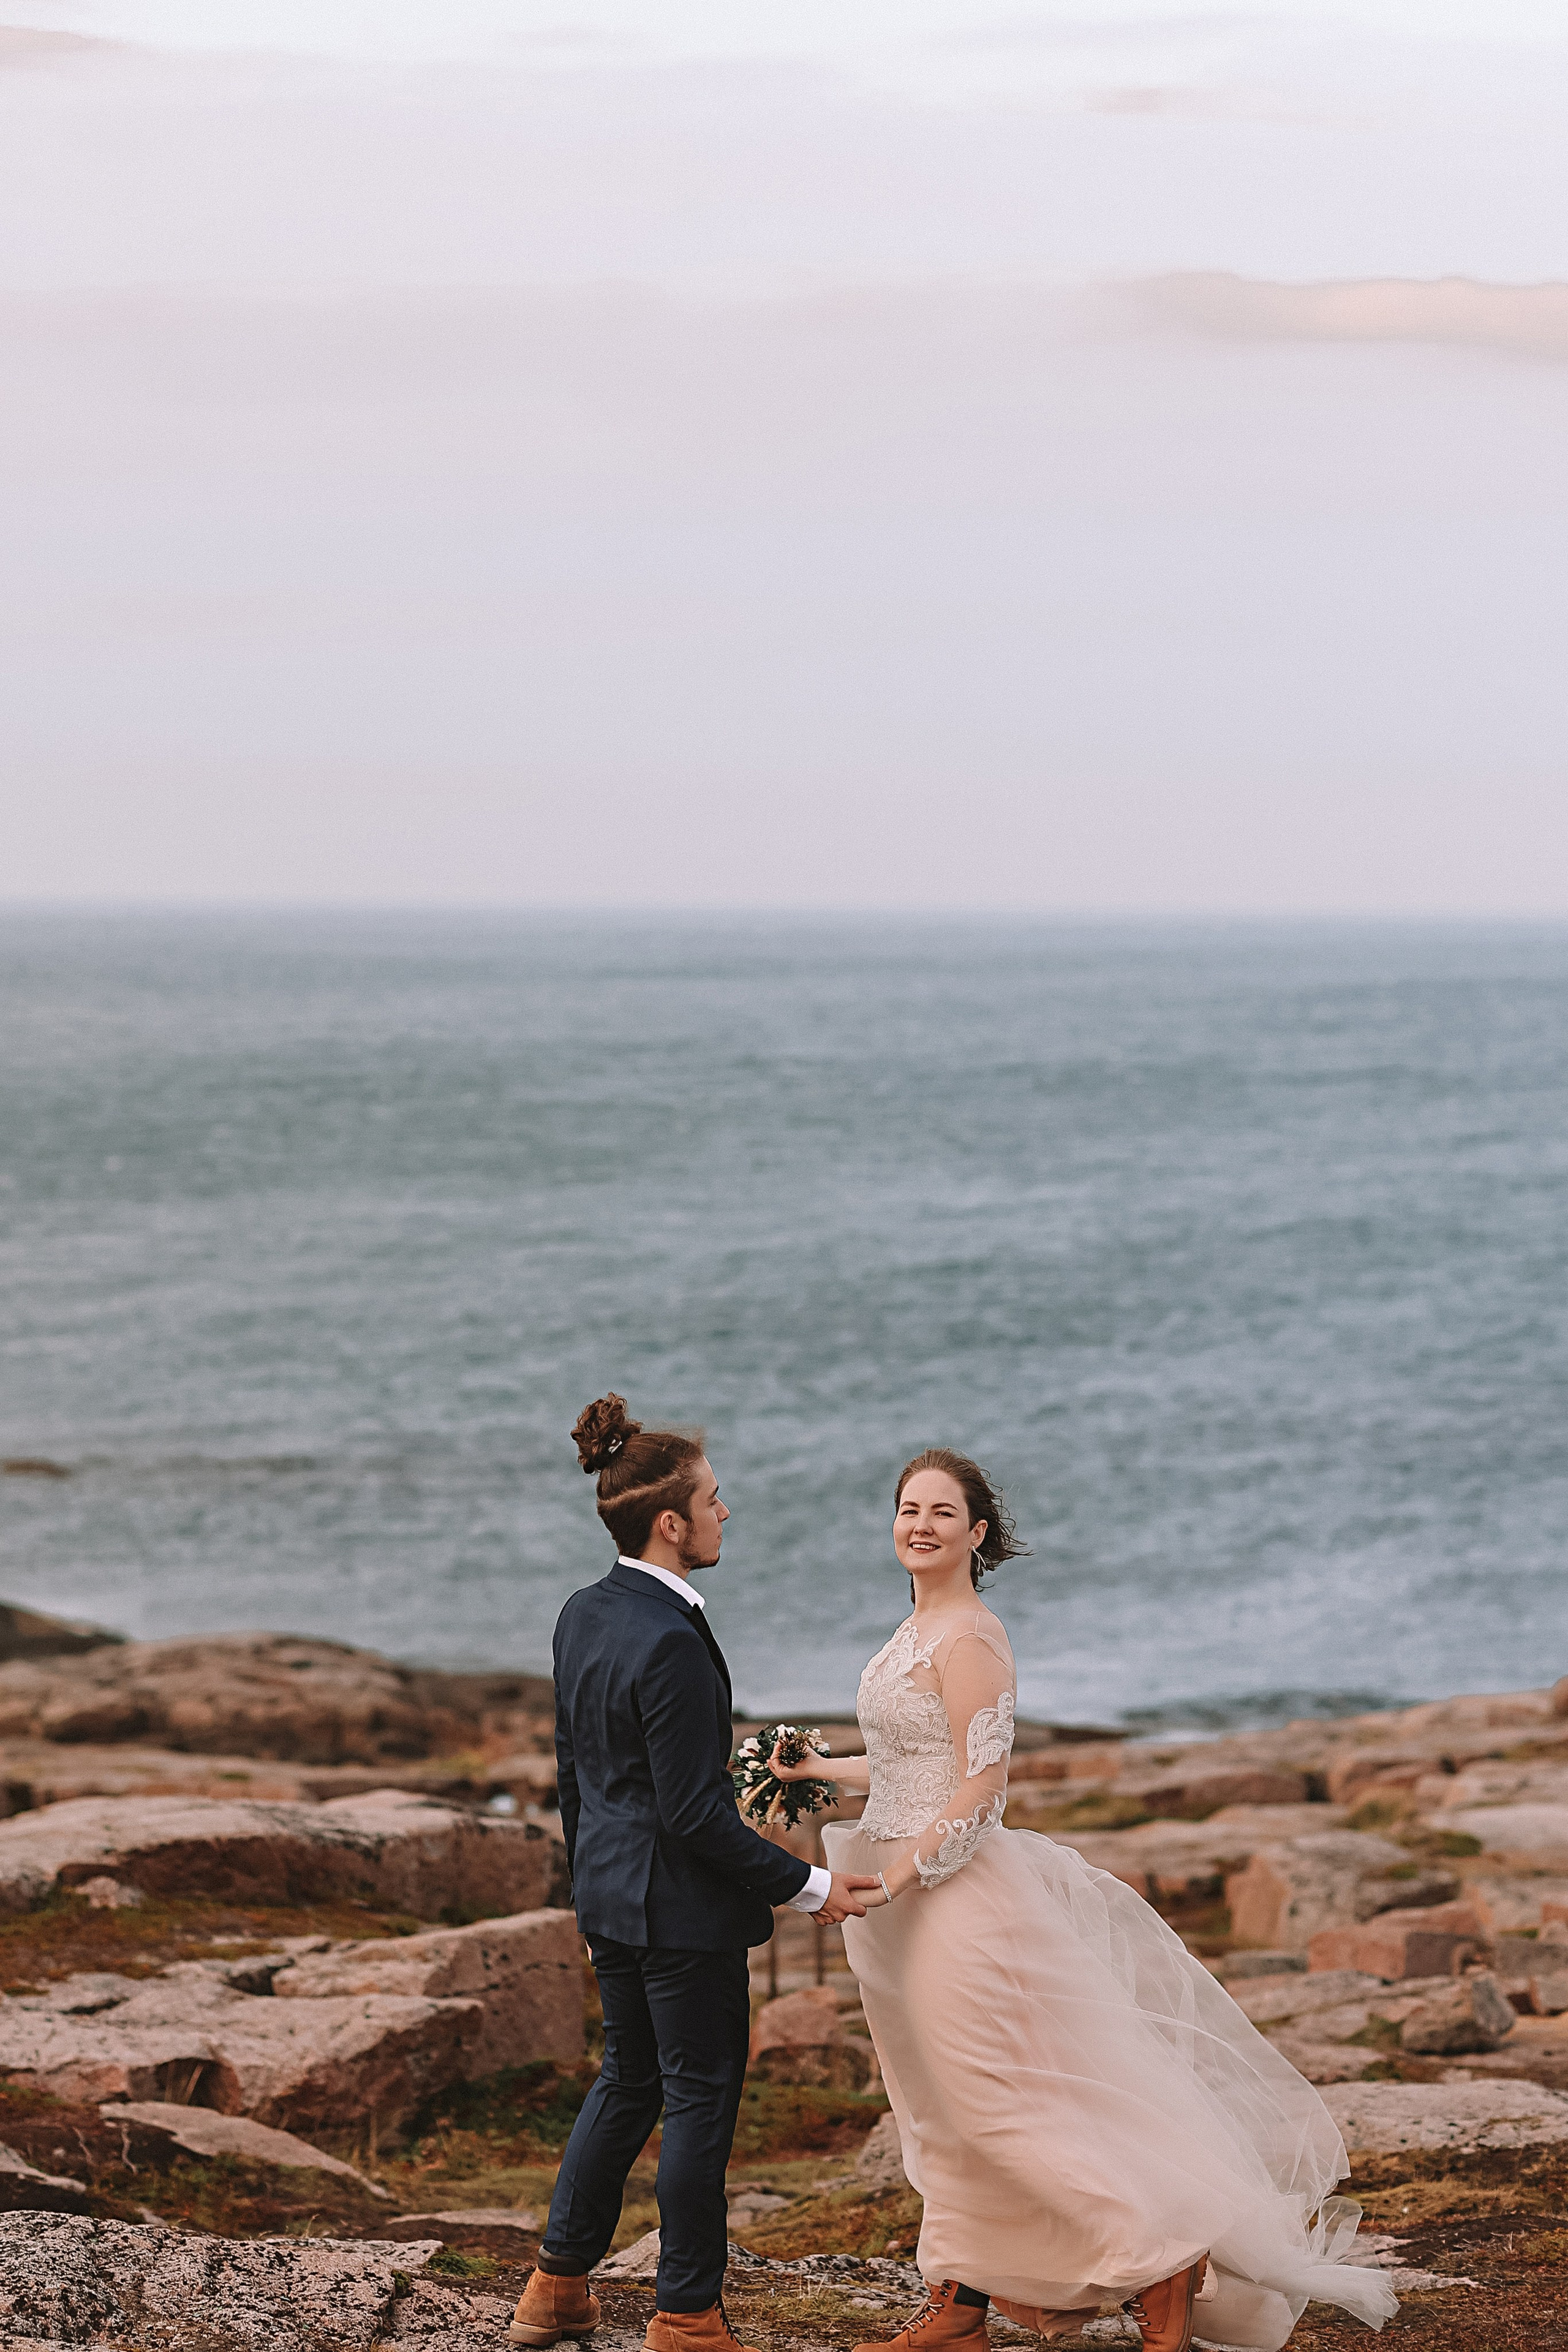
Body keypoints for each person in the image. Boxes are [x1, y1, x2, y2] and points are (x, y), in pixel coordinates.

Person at [770, 1447, 1400, 2352]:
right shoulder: (910, 1633)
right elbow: (916, 1760)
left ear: (977, 1533)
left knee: (993, 2103)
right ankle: (960, 2301)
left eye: (943, 1513)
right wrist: (823, 1768)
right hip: (897, 1902)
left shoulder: (974, 1637)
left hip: (953, 1901)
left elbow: (981, 1789)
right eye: (909, 1509)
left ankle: (1165, 2259)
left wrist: (900, 1877)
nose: (921, 1525)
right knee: (934, 2110)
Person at [507, 1393, 880, 2352]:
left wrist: (590, 1879)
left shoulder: (583, 1613)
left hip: (609, 1898)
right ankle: (685, 2315)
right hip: (679, 1916)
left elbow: (575, 1771)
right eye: (714, 1500)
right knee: (699, 2099)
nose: (726, 1513)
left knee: (627, 2080)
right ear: (671, 1523)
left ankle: (555, 2289)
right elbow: (691, 1813)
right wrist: (810, 1887)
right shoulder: (671, 1638)